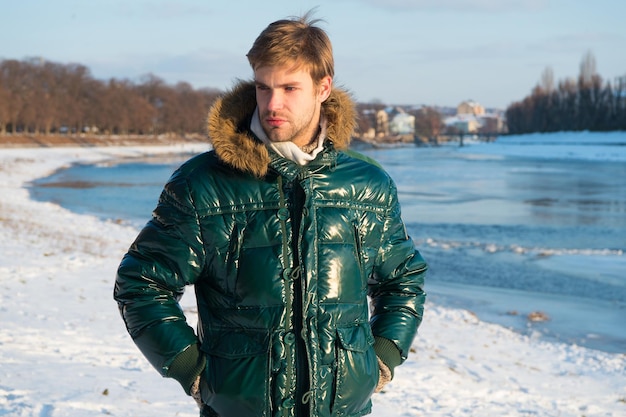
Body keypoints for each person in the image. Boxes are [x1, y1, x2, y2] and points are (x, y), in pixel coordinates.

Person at [114, 12, 427, 417]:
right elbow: (141, 283)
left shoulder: (367, 184)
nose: (272, 104)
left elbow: (403, 281)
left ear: (323, 88)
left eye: (289, 88)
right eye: (263, 87)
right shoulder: (203, 184)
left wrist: (381, 359)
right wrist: (193, 370)